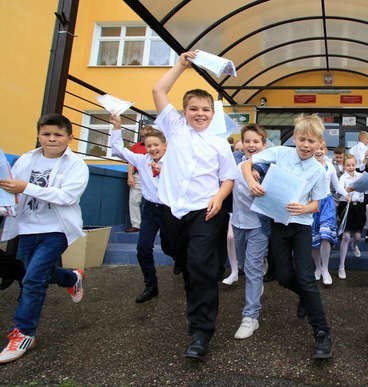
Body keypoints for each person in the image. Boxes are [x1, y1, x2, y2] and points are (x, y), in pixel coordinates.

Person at [152, 50, 238, 360]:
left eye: (205, 109)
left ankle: (201, 332)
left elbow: (228, 178)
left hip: (205, 211)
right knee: (178, 255)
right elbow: (158, 91)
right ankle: (197, 285)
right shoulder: (174, 128)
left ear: (212, 114)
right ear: (184, 111)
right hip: (172, 210)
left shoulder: (218, 143)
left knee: (200, 267)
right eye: (193, 109)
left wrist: (218, 197)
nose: (199, 114)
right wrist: (180, 65)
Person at [241, 114, 333, 359]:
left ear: (319, 144)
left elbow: (317, 203)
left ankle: (322, 333)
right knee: (282, 276)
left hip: (301, 226)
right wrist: (251, 181)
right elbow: (246, 164)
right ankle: (304, 296)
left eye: (311, 141)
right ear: (294, 137)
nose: (305, 145)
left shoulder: (318, 170)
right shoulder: (280, 153)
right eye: (302, 139)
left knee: (305, 277)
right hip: (277, 223)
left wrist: (305, 208)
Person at [0, 113, 89, 363]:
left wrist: (25, 187)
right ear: (38, 135)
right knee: (36, 274)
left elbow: (67, 197)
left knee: (33, 279)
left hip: (56, 229)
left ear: (69, 138)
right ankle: (71, 277)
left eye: (58, 135)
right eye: (46, 134)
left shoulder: (77, 165)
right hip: (27, 227)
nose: (52, 139)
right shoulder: (26, 160)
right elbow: (11, 190)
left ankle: (24, 333)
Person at [110, 115, 168, 303]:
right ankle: (151, 285)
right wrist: (117, 127)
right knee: (143, 247)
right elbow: (119, 150)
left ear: (165, 145)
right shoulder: (142, 160)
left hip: (171, 210)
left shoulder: (175, 161)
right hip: (151, 209)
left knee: (172, 247)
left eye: (156, 145)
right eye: (149, 146)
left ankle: (183, 267)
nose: (153, 149)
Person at [231, 124, 271, 339]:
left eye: (256, 141)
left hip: (258, 225)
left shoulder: (266, 165)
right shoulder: (235, 162)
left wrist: (257, 174)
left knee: (253, 268)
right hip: (237, 223)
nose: (251, 145)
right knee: (245, 266)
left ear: (263, 145)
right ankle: (258, 275)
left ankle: (250, 317)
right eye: (248, 141)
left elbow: (261, 171)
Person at [312, 141, 348, 285]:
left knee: (325, 237)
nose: (319, 151)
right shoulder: (307, 165)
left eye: (321, 148)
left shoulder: (330, 166)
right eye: (316, 148)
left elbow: (337, 185)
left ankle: (326, 269)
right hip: (312, 203)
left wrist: (346, 194)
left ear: (326, 150)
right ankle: (318, 267)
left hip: (327, 203)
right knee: (314, 239)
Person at [337, 154, 365, 280]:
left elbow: (366, 189)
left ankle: (354, 245)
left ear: (356, 165)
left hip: (358, 207)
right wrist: (347, 190)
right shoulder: (343, 177)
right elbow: (339, 191)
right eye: (348, 165)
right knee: (346, 236)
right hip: (346, 206)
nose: (351, 167)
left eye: (353, 165)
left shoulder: (360, 176)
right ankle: (341, 266)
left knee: (358, 236)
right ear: (344, 166)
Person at [126, 126, 154, 232]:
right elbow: (130, 162)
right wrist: (130, 176)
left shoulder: (156, 146)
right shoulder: (135, 147)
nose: (145, 132)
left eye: (148, 130)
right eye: (143, 130)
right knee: (133, 200)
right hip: (138, 175)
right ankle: (136, 224)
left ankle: (154, 224)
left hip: (153, 175)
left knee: (154, 201)